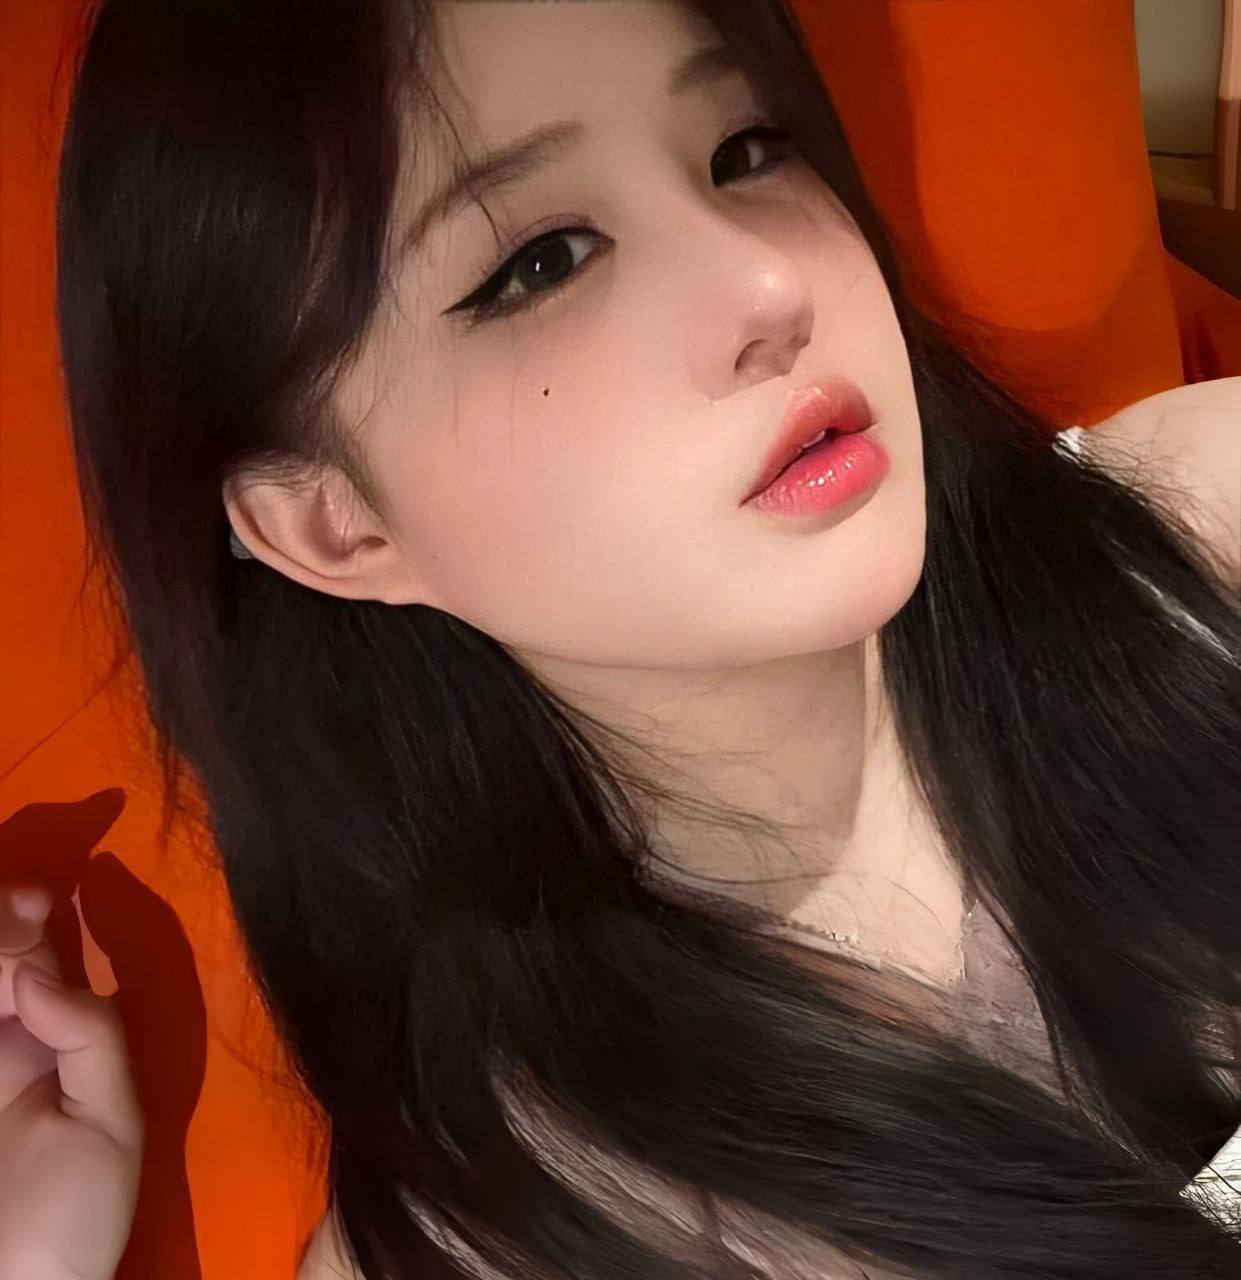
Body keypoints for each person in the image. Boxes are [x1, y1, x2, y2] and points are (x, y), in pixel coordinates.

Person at [9, 0, 1240, 1276]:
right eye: (542, 261)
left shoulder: (1203, 527)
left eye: (746, 150)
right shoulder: (501, 1236)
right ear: (334, 526)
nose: (769, 285)